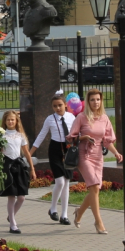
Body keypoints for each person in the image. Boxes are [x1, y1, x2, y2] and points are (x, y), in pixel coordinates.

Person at [67, 89, 123, 234]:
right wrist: (84, 138)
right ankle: (98, 222)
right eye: (92, 100)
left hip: (98, 156)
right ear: (88, 101)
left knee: (96, 189)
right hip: (84, 154)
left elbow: (106, 141)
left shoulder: (104, 118)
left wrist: (116, 153)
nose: (95, 102)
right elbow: (71, 137)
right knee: (93, 186)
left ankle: (79, 212)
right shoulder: (81, 117)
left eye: (98, 99)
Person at [32, 93, 76, 225]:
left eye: (60, 105)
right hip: (55, 150)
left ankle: (64, 215)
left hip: (68, 149)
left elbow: (77, 132)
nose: (58, 108)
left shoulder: (71, 117)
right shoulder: (50, 119)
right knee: (60, 182)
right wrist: (30, 152)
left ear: (65, 105)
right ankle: (52, 208)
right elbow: (41, 136)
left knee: (66, 182)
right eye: (55, 106)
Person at [0, 110, 35, 234]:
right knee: (11, 196)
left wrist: (32, 169)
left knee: (21, 197)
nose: (10, 122)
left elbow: (26, 153)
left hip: (18, 166)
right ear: (5, 121)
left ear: (16, 121)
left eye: (12, 120)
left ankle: (11, 215)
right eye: (8, 120)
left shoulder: (20, 135)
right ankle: (13, 224)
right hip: (7, 166)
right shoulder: (2, 135)